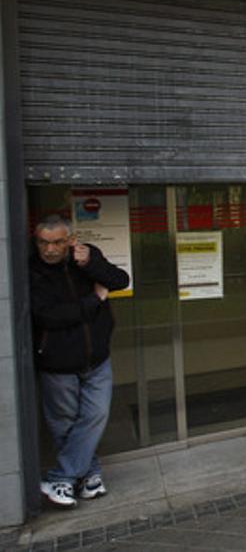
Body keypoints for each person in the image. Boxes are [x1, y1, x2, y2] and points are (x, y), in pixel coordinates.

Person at [30, 214, 130, 508]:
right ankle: (87, 476)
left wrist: (91, 264)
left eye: (57, 242)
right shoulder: (32, 270)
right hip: (58, 363)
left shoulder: (86, 257)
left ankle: (63, 478)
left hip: (97, 359)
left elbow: (120, 280)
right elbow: (49, 316)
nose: (49, 250)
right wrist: (93, 301)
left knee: (95, 416)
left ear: (70, 240)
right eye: (43, 243)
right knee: (64, 423)